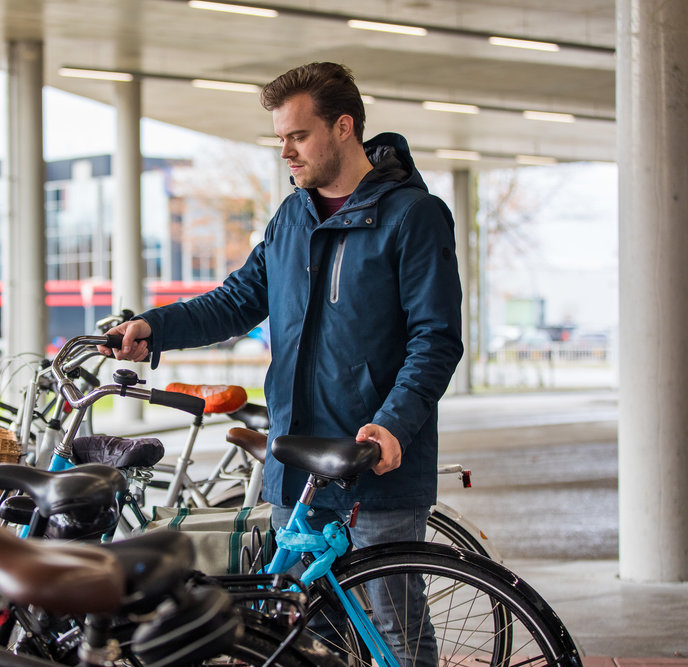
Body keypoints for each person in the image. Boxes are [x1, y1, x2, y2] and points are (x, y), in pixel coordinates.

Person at [101, 62, 462, 664]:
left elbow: (436, 339)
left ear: (343, 127)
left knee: (396, 632)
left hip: (373, 461)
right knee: (293, 631)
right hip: (296, 461)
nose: (285, 152)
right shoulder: (292, 216)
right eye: (279, 140)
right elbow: (239, 300)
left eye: (297, 136)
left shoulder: (413, 217)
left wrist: (394, 424)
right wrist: (153, 327)